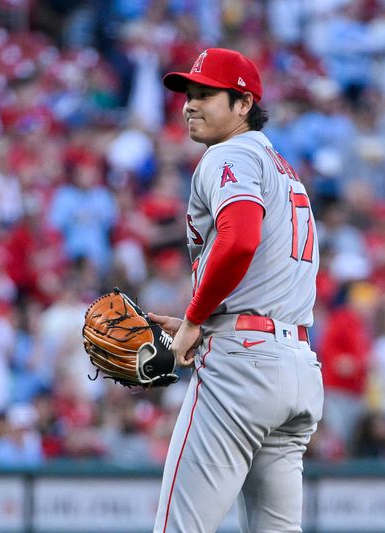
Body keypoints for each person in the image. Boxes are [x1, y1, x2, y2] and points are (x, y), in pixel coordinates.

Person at [148, 48, 323, 533]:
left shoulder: (228, 154)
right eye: (188, 94)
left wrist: (195, 319)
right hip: (298, 366)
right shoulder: (285, 170)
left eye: (206, 94)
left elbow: (240, 237)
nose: (190, 104)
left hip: (242, 366)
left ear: (244, 103)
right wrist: (203, 321)